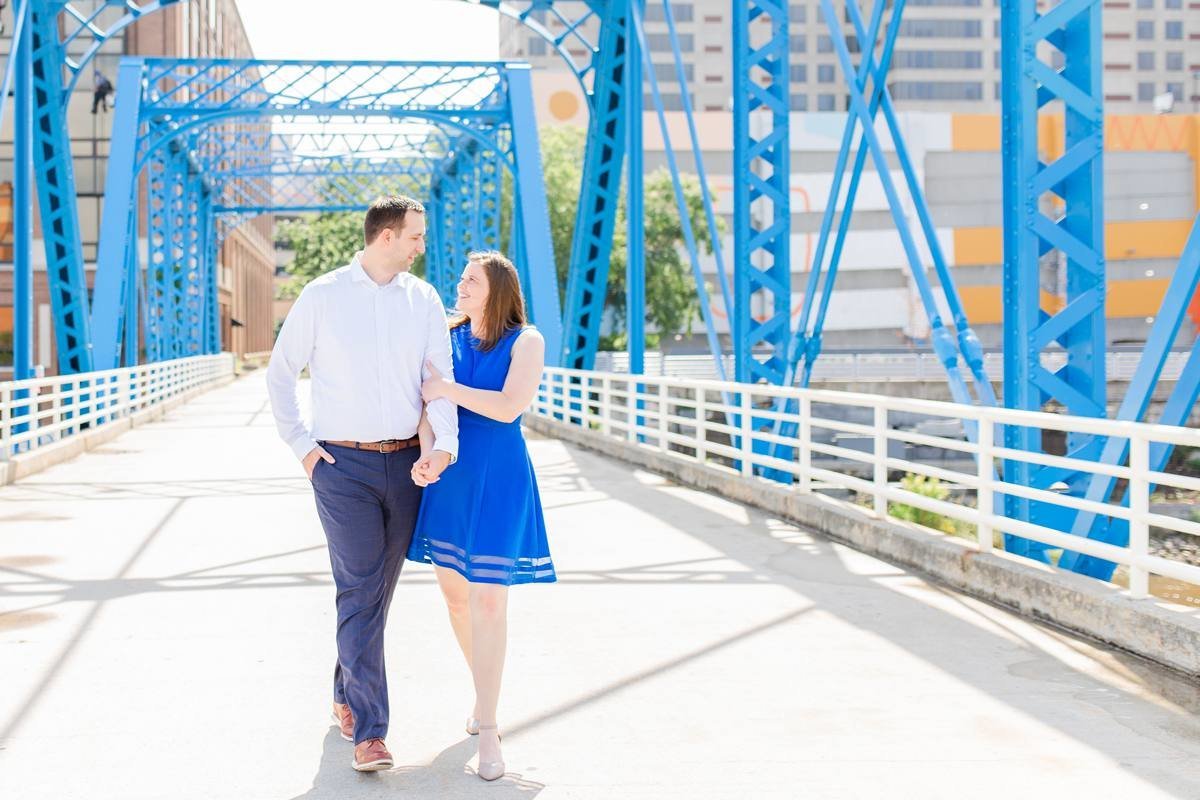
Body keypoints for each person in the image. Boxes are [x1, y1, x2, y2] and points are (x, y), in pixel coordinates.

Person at [266, 195, 458, 772]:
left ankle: (345, 690)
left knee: (374, 594)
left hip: (404, 466)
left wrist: (442, 448)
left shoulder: (422, 300)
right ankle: (371, 733)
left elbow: (438, 378)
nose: (422, 248)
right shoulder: (323, 296)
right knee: (358, 589)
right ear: (387, 237)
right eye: (416, 237)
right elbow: (280, 373)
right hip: (341, 468)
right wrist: (304, 450)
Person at [408, 250, 556, 782]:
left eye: (472, 279)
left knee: (489, 599)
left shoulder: (527, 341)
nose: (461, 285)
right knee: (454, 597)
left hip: (499, 475)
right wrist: (428, 449)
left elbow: (508, 407)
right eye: (462, 278)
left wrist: (448, 388)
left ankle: (489, 726)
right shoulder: (444, 336)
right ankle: (483, 690)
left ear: (497, 288)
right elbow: (428, 408)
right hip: (451, 475)